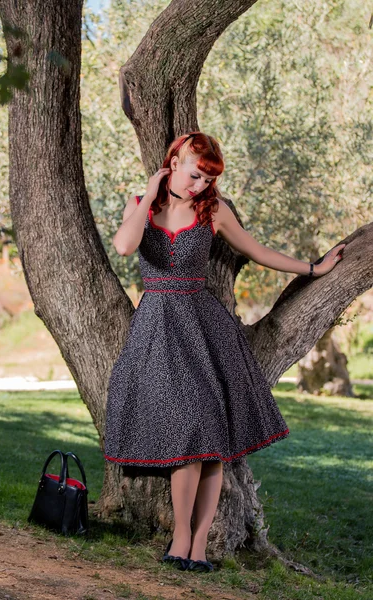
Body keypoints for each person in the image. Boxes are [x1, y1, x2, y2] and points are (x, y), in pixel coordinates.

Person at [103, 132, 346, 573]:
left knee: (211, 438)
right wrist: (150, 193)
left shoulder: (213, 210)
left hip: (203, 328)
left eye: (208, 178)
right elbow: (123, 245)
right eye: (194, 174)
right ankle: (180, 537)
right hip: (157, 327)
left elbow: (258, 251)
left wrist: (315, 267)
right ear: (173, 161)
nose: (199, 185)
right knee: (189, 431)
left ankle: (197, 545)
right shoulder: (142, 204)